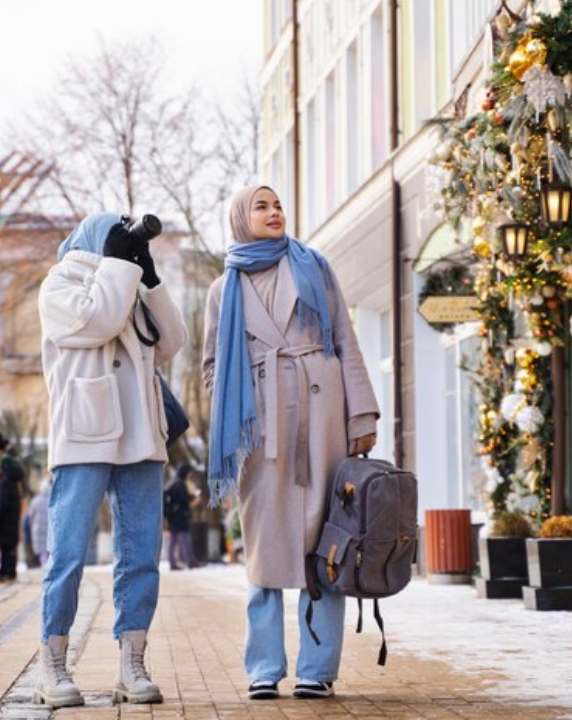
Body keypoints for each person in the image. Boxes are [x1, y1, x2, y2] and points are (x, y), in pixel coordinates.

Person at [202, 185, 379, 701]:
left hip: (323, 419)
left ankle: (317, 669)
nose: (274, 213)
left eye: (277, 204)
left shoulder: (314, 268)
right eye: (261, 206)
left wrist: (360, 412)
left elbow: (344, 339)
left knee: (327, 544)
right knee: (264, 549)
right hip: (260, 434)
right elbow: (212, 366)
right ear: (240, 217)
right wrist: (241, 395)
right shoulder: (222, 290)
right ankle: (263, 667)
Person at [35, 212, 188, 708]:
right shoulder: (59, 285)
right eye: (118, 234)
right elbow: (98, 320)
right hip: (84, 431)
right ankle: (53, 663)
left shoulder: (127, 279)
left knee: (142, 554)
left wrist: (151, 277)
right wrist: (119, 265)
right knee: (69, 553)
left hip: (142, 433)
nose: (126, 241)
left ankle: (132, 660)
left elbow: (172, 342)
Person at [0, 431, 24, 583]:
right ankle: (7, 571)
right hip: (12, 513)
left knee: (6, 545)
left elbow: (2, 499)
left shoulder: (5, 469)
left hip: (7, 514)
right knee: (8, 544)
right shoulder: (9, 469)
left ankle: (7, 572)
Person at [163, 462, 200, 570]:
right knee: (185, 538)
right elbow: (184, 498)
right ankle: (190, 561)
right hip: (180, 515)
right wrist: (195, 495)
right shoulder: (180, 483)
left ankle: (172, 563)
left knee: (174, 540)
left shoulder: (173, 482)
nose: (189, 475)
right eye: (189, 472)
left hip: (173, 516)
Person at [28, 478, 52, 568]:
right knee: (49, 546)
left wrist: (31, 525)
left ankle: (44, 563)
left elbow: (30, 515)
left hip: (37, 527)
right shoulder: (51, 500)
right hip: (49, 526)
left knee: (41, 548)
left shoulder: (35, 500)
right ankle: (49, 565)